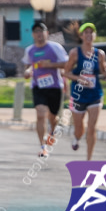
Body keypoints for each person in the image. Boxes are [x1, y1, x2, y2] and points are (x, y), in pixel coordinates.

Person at [65, 23, 106, 160]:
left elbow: (104, 71)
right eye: (86, 32)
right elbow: (66, 72)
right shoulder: (75, 53)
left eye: (91, 32)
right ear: (81, 36)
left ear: (95, 36)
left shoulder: (100, 54)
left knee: (92, 127)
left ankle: (89, 159)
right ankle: (76, 137)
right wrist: (78, 78)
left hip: (95, 94)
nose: (89, 35)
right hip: (78, 95)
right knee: (79, 128)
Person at [23, 21, 68, 157]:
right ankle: (43, 147)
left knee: (53, 117)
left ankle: (52, 132)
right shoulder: (30, 50)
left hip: (54, 87)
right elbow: (29, 65)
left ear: (47, 33)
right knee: (40, 113)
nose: (39, 34)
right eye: (36, 32)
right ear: (33, 34)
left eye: (41, 31)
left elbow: (66, 64)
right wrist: (28, 71)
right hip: (38, 86)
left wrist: (50, 65)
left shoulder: (55, 48)